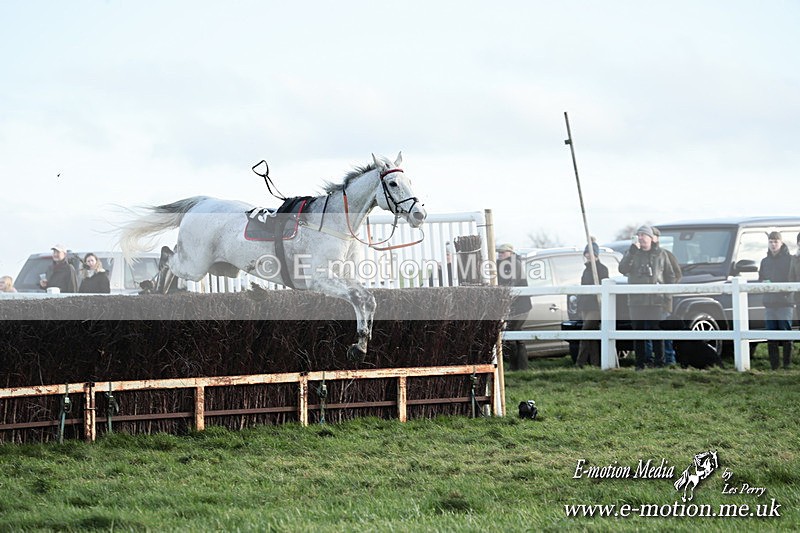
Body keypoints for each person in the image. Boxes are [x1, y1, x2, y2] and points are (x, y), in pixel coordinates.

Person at [618, 225, 679, 370]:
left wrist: (666, 296)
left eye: (644, 235)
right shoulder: (632, 253)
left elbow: (671, 276)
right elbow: (622, 269)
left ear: (651, 238)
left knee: (657, 332)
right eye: (639, 235)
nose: (641, 238)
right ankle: (640, 364)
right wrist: (631, 253)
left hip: (656, 300)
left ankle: (660, 363)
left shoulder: (662, 254)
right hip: (636, 301)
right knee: (638, 333)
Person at [758, 231, 793, 370]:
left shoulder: (789, 260)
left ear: (781, 242)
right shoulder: (764, 261)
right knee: (770, 334)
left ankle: (787, 364)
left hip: (785, 303)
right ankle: (774, 366)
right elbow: (760, 278)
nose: (773, 244)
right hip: (769, 302)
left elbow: (792, 278)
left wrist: (785, 293)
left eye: (776, 242)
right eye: (771, 242)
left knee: (786, 334)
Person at [496, 243, 532, 370]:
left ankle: (515, 366)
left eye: (503, 252)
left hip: (520, 306)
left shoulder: (514, 264)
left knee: (511, 334)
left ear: (510, 253)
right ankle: (521, 367)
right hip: (515, 306)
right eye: (499, 252)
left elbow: (512, 283)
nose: (500, 254)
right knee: (517, 336)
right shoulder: (502, 265)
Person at [576, 240, 609, 368]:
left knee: (585, 332)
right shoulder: (586, 271)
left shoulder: (602, 269)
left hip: (595, 307)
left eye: (591, 253)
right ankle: (596, 362)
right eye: (587, 253)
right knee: (592, 335)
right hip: (586, 306)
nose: (588, 255)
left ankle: (580, 362)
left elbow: (603, 286)